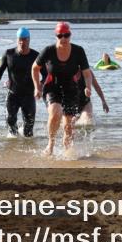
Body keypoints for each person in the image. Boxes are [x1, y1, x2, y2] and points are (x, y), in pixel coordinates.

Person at [32, 22, 93, 156]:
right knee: (55, 112)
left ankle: (68, 154)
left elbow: (87, 74)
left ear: (70, 35)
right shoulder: (48, 51)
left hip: (71, 88)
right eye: (60, 36)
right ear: (56, 36)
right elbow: (34, 68)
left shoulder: (78, 51)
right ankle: (51, 144)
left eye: (66, 35)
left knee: (68, 126)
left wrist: (88, 87)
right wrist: (37, 87)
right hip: (52, 86)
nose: (64, 39)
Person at [0, 27, 40, 137]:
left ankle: (26, 151)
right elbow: (0, 70)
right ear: (17, 40)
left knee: (29, 128)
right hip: (13, 93)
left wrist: (40, 85)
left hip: (29, 95)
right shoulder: (9, 54)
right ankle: (14, 138)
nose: (22, 42)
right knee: (10, 120)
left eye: (25, 39)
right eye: (20, 40)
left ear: (29, 40)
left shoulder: (35, 56)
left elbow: (46, 73)